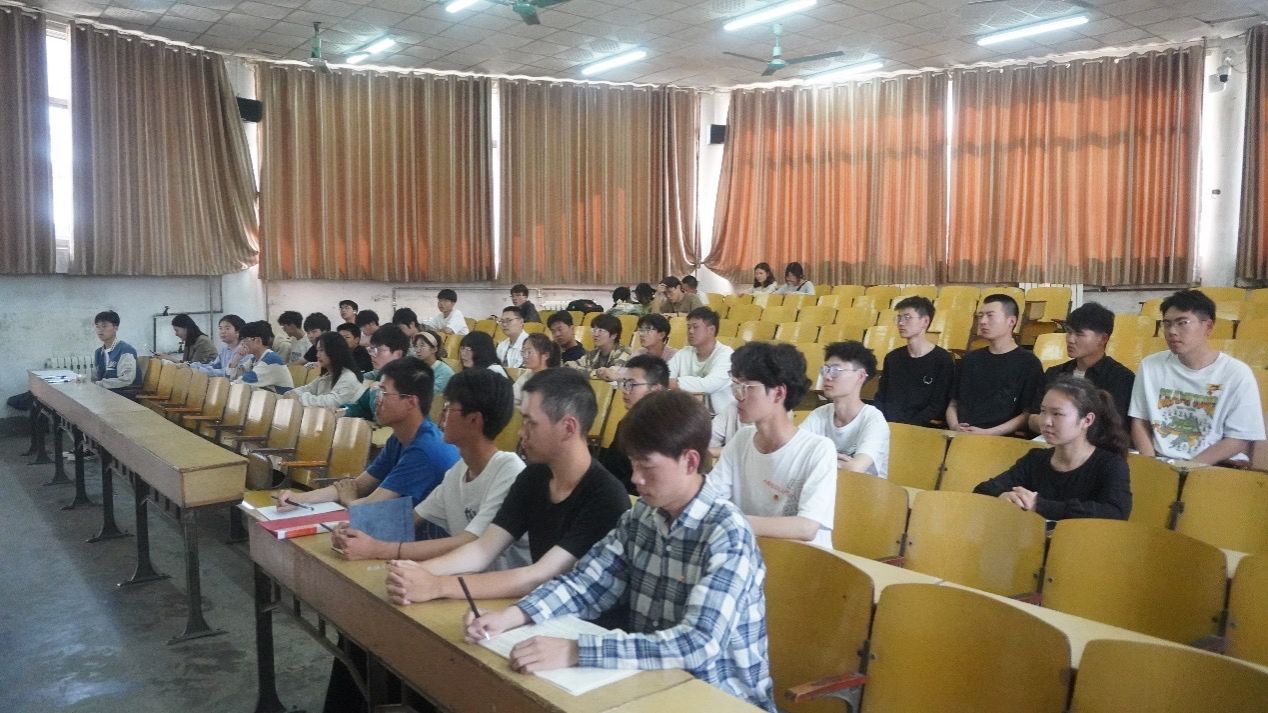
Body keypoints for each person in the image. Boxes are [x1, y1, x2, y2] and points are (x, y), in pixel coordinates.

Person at [465, 390, 774, 711]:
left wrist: (577, 650)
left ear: (690, 461)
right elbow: (586, 584)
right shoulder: (642, 517)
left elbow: (697, 643)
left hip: (720, 697)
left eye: (647, 466)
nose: (635, 478)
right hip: (652, 685)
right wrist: (511, 616)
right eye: (633, 463)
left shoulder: (728, 534)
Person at [381, 368, 630, 606]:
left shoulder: (606, 497)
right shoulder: (533, 477)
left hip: (575, 620)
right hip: (533, 606)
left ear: (568, 427)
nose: (521, 432)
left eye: (530, 423)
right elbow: (482, 550)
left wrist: (438, 585)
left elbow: (540, 575)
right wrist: (415, 572)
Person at [332, 369, 528, 569]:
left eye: (448, 408)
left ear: (474, 420)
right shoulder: (458, 472)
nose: (441, 416)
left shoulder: (509, 472)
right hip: (463, 578)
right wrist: (354, 531)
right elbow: (409, 520)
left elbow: (469, 542)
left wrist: (378, 549)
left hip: (499, 586)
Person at [277, 357, 459, 509]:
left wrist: (349, 500)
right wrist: (298, 498)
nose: (377, 401)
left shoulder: (424, 449)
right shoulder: (398, 439)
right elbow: (358, 485)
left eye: (384, 393)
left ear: (411, 402)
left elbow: (368, 506)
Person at [709, 342, 837, 548]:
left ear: (778, 393)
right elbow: (710, 497)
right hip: (751, 554)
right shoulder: (741, 440)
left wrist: (732, 521)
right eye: (735, 384)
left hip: (802, 559)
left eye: (747, 387)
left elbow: (806, 527)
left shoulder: (818, 450)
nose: (737, 395)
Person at [1129, 289, 1265, 463]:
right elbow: (1140, 422)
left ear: (1208, 326)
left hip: (1214, 465)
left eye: (1182, 323)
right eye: (1167, 324)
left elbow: (1238, 439)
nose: (1172, 331)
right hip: (1161, 462)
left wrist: (1189, 469)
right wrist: (1151, 465)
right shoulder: (1149, 366)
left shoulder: (1237, 374)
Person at [976, 376, 1132, 520]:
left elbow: (1116, 513)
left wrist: (1040, 505)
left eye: (1057, 414)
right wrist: (1003, 495)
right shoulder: (1035, 459)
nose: (1046, 422)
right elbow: (983, 489)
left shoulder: (1111, 464)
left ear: (1087, 420)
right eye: (1043, 411)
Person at [1028, 302, 1135, 434]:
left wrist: (1062, 428)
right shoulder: (1054, 373)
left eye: (1079, 334)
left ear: (1103, 338)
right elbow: (1032, 418)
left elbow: (1115, 428)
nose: (1070, 340)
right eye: (1069, 332)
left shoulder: (1121, 378)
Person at [946, 294, 1044, 435]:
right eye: (980, 316)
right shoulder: (970, 359)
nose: (983, 321)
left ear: (1011, 321)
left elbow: (1027, 413)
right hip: (961, 435)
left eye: (990, 316)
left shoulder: (1029, 363)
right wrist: (955, 426)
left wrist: (988, 433)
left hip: (1002, 439)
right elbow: (953, 404)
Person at [801, 341, 890, 477]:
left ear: (860, 376)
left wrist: (817, 459)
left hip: (861, 488)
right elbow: (793, 453)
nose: (827, 377)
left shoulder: (874, 420)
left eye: (836, 371)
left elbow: (855, 468)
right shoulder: (819, 414)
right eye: (826, 370)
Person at [874, 296, 955, 426]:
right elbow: (881, 397)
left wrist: (906, 426)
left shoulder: (942, 359)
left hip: (921, 428)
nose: (901, 323)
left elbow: (937, 405)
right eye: (899, 318)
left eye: (907, 317)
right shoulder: (892, 358)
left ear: (925, 321)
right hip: (888, 425)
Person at [598, 354, 669, 494]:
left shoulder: (668, 430)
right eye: (624, 383)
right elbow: (610, 468)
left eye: (632, 384)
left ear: (655, 389)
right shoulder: (626, 423)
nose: (625, 390)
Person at [667, 307, 735, 415]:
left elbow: (709, 384)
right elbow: (665, 376)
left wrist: (675, 383)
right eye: (688, 327)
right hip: (689, 414)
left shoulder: (726, 354)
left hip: (720, 416)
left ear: (711, 330)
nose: (690, 331)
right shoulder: (684, 353)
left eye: (695, 327)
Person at [342, 324, 409, 423]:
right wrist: (342, 411)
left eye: (379, 350)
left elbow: (393, 418)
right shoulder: (381, 375)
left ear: (397, 354)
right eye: (371, 349)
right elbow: (362, 406)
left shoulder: (408, 381)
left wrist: (377, 391)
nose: (372, 355)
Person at [285, 331, 366, 408]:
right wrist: (291, 393)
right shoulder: (327, 376)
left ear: (335, 351)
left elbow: (331, 402)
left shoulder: (348, 376)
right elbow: (307, 388)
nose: (317, 355)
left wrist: (299, 398)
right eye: (317, 350)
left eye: (321, 350)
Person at [234, 321, 294, 394]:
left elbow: (244, 382)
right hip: (269, 399)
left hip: (282, 399)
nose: (242, 344)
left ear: (258, 341)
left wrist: (231, 382)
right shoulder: (254, 359)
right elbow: (233, 376)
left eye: (245, 340)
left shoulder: (271, 359)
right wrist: (237, 357)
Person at [91, 310, 142, 394]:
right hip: (104, 393)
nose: (100, 330)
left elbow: (126, 379)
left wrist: (99, 384)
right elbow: (95, 378)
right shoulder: (98, 352)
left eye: (104, 326)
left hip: (124, 395)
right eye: (97, 326)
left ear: (116, 328)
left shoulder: (126, 350)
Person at [568, 313, 631, 381]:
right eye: (594, 330)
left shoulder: (625, 353)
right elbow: (569, 366)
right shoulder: (592, 354)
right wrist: (596, 373)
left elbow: (610, 376)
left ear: (613, 335)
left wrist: (584, 372)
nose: (596, 334)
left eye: (600, 331)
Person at [191, 314, 249, 379]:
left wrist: (198, 369)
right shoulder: (225, 350)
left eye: (227, 328)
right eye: (220, 328)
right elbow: (214, 366)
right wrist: (193, 366)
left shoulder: (245, 350)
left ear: (238, 332)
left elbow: (226, 373)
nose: (222, 332)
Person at [513, 332, 560, 406]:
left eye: (529, 352)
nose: (525, 356)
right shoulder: (526, 375)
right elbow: (513, 399)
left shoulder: (554, 381)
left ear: (546, 355)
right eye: (523, 351)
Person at [413, 329, 454, 395]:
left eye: (422, 345)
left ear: (434, 349)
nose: (417, 350)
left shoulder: (445, 372)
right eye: (416, 346)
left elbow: (428, 394)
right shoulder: (416, 368)